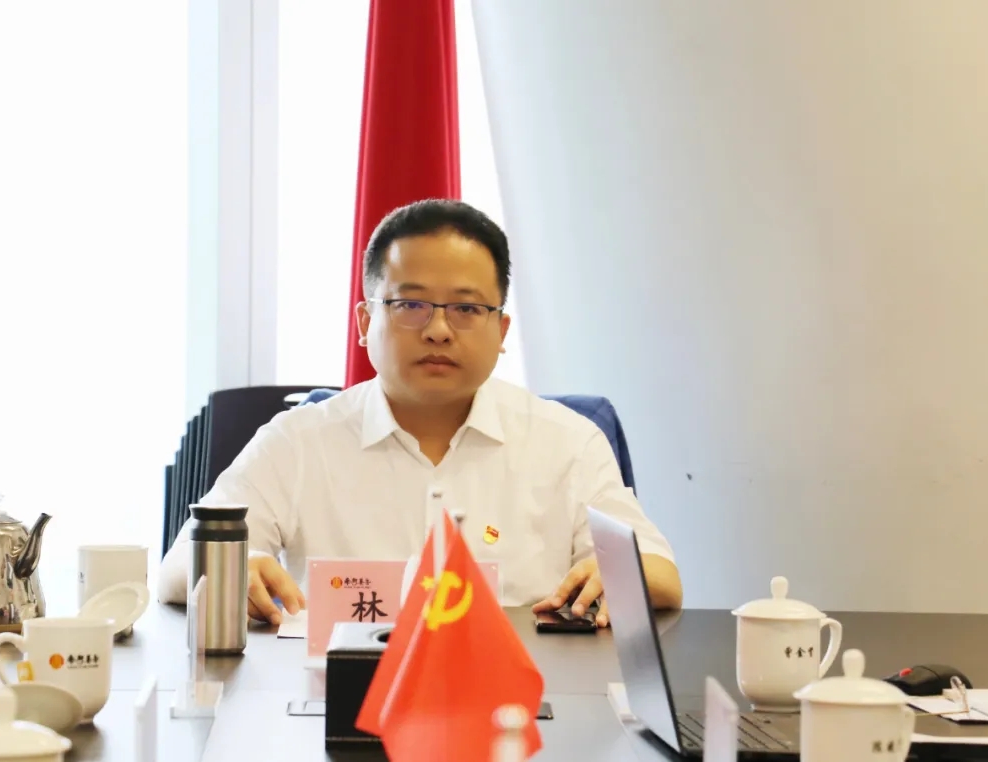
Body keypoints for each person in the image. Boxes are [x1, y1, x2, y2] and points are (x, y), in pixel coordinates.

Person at [158, 199, 682, 627]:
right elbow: (179, 567)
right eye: (410, 305)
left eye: (467, 308)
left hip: (525, 700)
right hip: (338, 699)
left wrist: (620, 573)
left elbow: (662, 576)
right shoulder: (298, 440)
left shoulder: (568, 441)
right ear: (365, 322)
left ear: (501, 331)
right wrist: (240, 565)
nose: (438, 330)